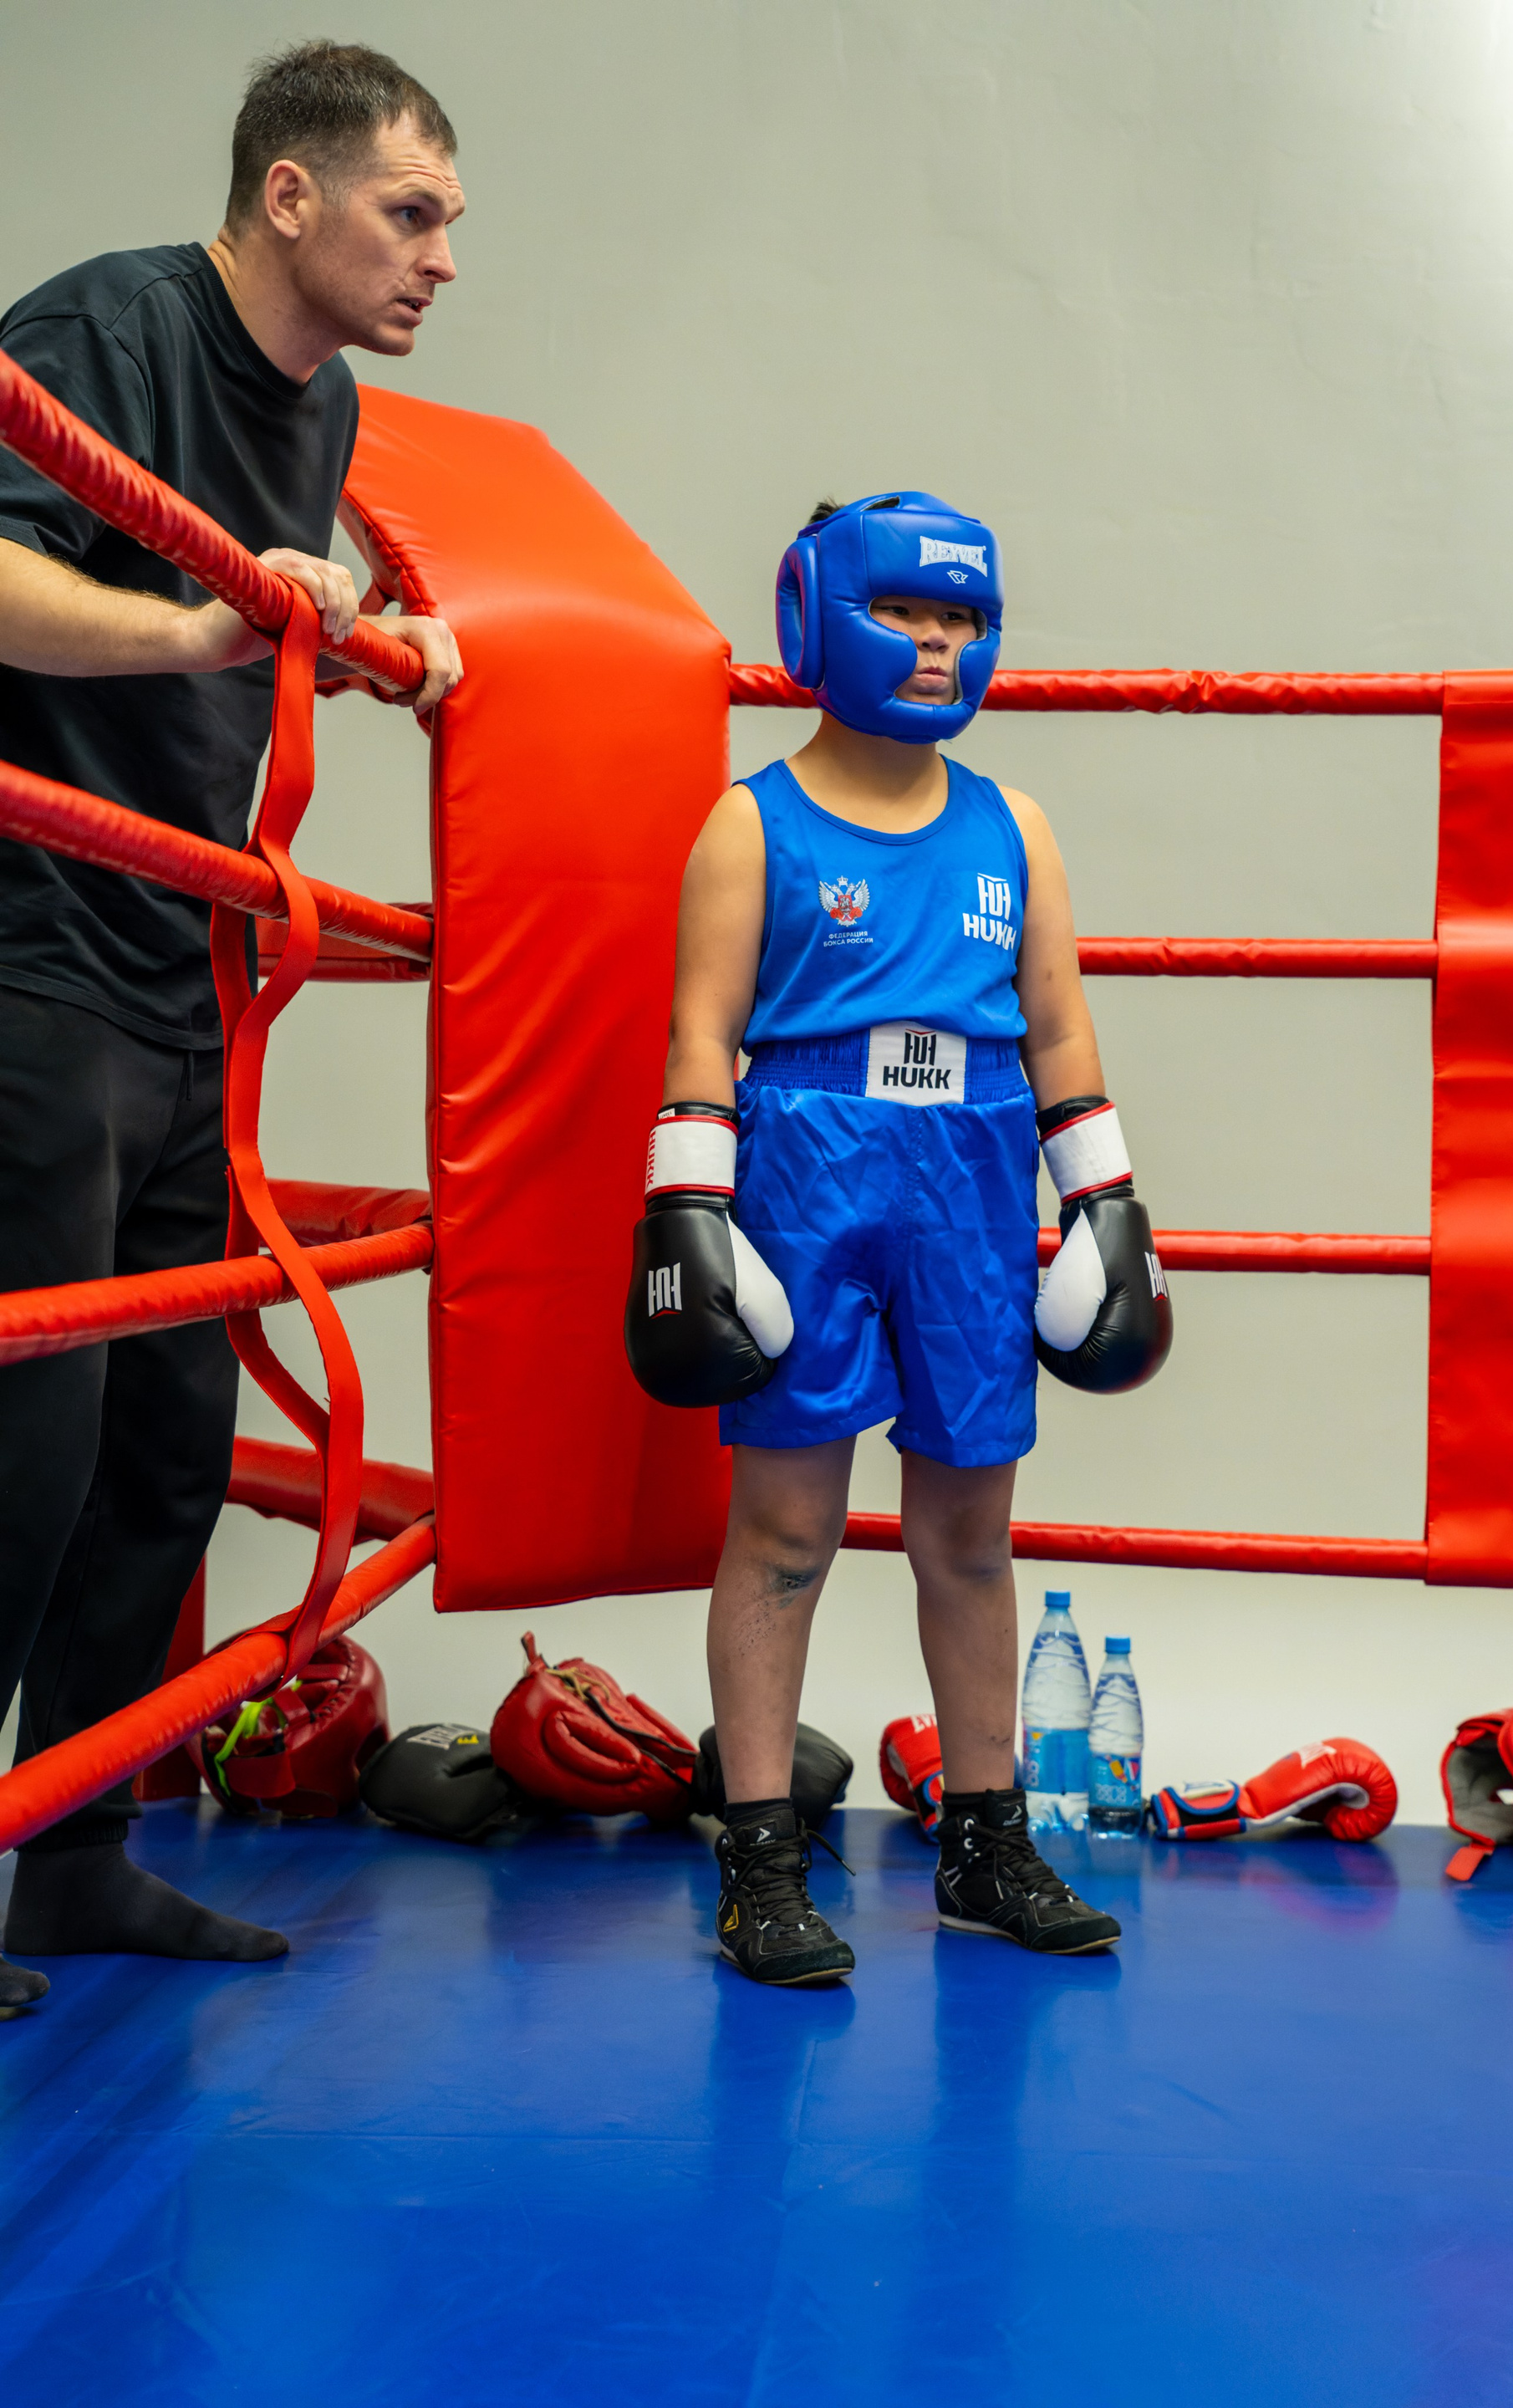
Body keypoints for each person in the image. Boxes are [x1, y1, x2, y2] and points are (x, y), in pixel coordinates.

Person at [0, 41, 465, 2016]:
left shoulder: (324, 402)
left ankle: (71, 1853)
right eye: (410, 213)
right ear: (292, 195)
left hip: (187, 972)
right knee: (25, 1437)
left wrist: (366, 634)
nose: (442, 256)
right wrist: (205, 620)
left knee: (171, 1441)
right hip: (33, 946)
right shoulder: (106, 327)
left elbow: (262, 611)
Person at [625, 492, 1171, 1987]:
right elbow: (701, 1030)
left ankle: (986, 1849)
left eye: (962, 618)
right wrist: (689, 1209)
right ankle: (760, 1862)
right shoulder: (753, 822)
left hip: (975, 1172)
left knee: (972, 1535)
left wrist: (1107, 1202)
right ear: (822, 619)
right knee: (785, 1531)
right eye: (907, 613)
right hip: (808, 1162)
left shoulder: (1012, 825)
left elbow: (1057, 1025)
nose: (937, 645)